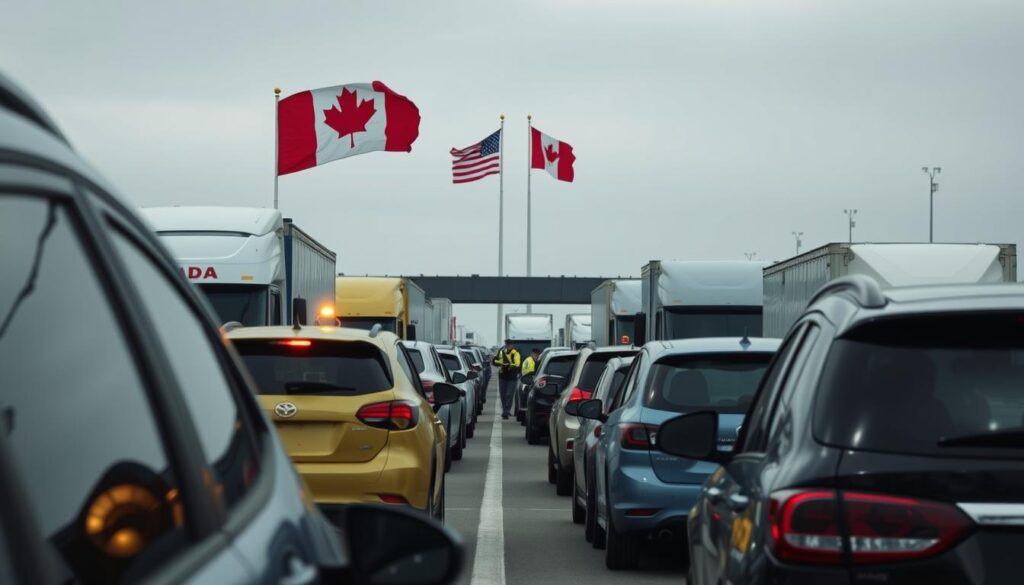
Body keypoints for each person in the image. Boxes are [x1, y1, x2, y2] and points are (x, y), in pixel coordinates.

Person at [493, 339, 521, 420]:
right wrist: (500, 363)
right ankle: (505, 410)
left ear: (512, 345)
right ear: (505, 345)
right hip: (502, 376)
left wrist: (509, 365)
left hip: (512, 377)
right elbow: (495, 361)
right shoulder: (501, 352)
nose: (508, 346)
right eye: (507, 344)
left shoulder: (516, 353)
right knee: (503, 395)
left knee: (509, 394)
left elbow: (517, 364)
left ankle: (507, 410)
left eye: (510, 344)